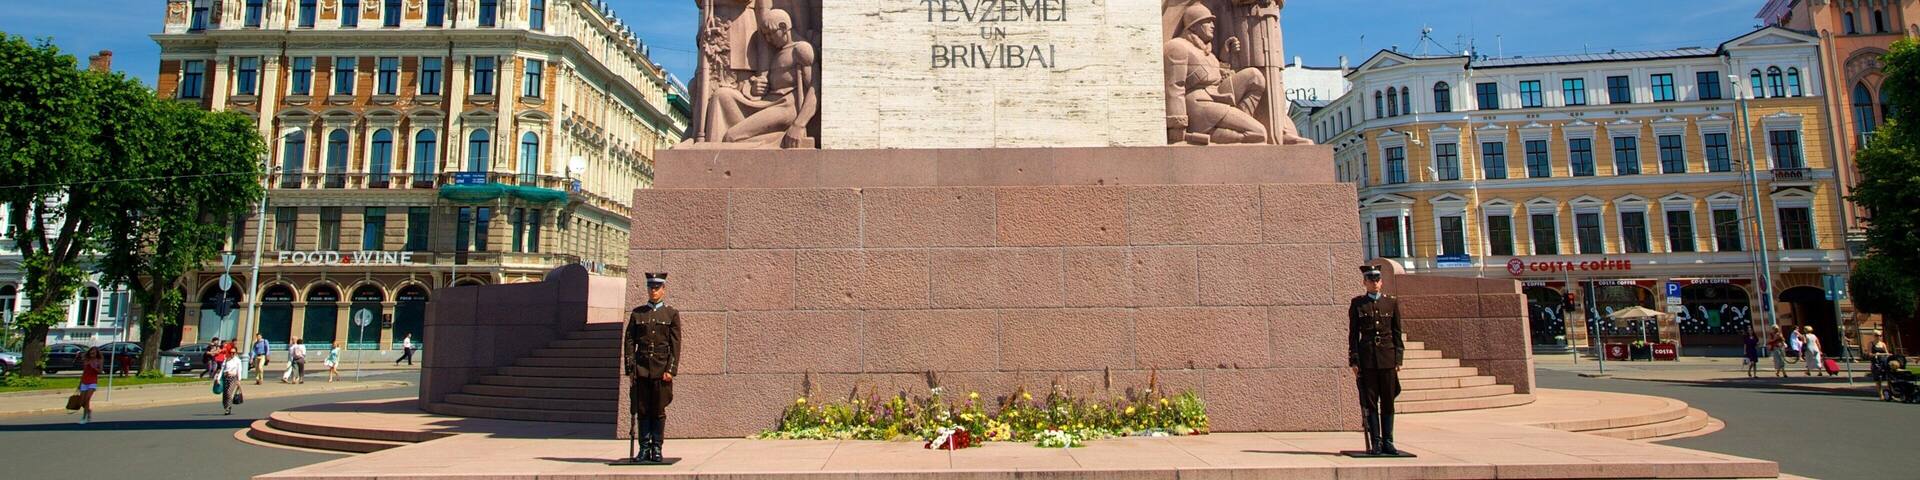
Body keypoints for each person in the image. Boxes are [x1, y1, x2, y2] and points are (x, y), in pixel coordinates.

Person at [624, 272, 681, 463]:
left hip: (661, 369)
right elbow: (630, 341)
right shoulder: (638, 313)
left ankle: (657, 447)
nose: (653, 291)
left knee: (658, 409)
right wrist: (630, 368)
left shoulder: (671, 314)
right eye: (651, 288)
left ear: (663, 290)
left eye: (657, 288)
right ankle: (644, 447)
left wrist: (670, 369)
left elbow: (675, 344)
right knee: (642, 409)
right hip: (641, 368)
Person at [1348, 265, 1404, 456]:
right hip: (1368, 359)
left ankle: (1388, 441)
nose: (1374, 283)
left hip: (1387, 358)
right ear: (1365, 282)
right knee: (1371, 403)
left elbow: (1397, 333)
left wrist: (1398, 359)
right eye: (1370, 280)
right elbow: (1353, 335)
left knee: (1388, 401)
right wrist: (1354, 360)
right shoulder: (1358, 304)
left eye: (1377, 280)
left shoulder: (1391, 303)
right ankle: (1376, 443)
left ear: (1381, 282)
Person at [75, 347, 103, 424]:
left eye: (94, 353)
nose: (92, 355)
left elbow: (100, 371)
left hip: (92, 382)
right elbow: (84, 372)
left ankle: (84, 417)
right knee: (82, 402)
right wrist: (80, 384)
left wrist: (94, 368)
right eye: (91, 353)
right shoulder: (86, 360)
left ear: (97, 353)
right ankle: (88, 411)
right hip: (84, 381)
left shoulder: (99, 361)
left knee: (87, 399)